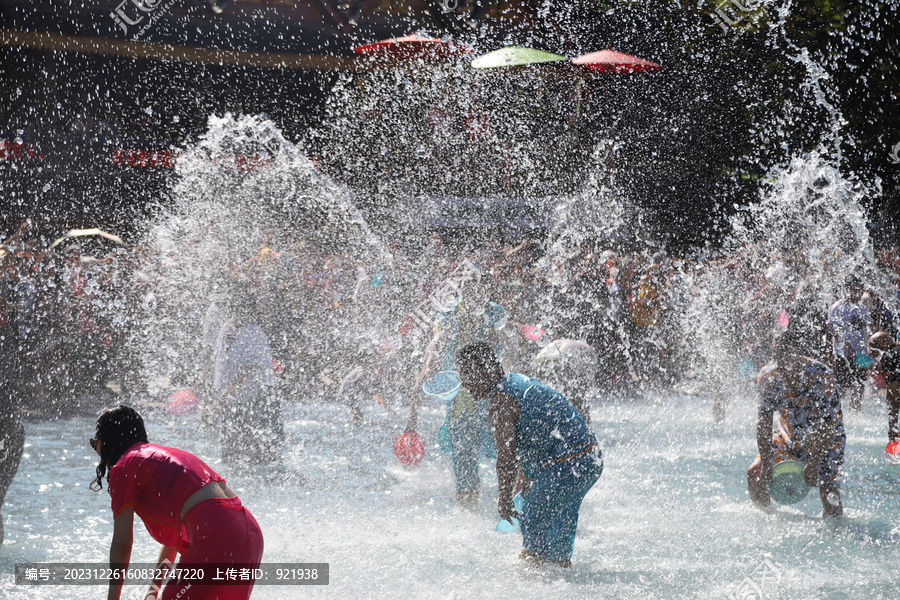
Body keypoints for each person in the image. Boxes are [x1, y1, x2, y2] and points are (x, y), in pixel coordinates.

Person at [91, 405, 263, 600]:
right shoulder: (160, 460)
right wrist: (153, 592)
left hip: (216, 539)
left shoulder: (125, 467)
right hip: (249, 536)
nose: (96, 448)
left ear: (109, 441)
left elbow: (122, 543)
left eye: (94, 442)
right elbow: (175, 540)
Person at [457, 342, 603, 567]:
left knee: (532, 521)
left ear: (487, 369)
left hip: (566, 464)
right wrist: (522, 481)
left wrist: (504, 501)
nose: (464, 382)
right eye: (461, 374)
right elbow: (538, 436)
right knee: (559, 529)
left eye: (468, 373)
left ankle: (536, 580)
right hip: (589, 460)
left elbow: (506, 458)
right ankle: (560, 574)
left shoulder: (501, 401)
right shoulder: (516, 382)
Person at [747, 327, 845, 518]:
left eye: (785, 356)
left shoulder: (822, 376)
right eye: (776, 356)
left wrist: (814, 462)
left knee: (828, 490)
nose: (779, 363)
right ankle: (768, 518)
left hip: (827, 439)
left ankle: (836, 529)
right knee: (754, 474)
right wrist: (766, 460)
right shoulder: (768, 377)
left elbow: (828, 424)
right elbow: (764, 422)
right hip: (788, 438)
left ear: (800, 353)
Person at [827, 274, 871, 410]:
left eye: (860, 290)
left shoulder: (861, 308)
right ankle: (837, 416)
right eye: (856, 290)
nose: (858, 294)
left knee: (859, 388)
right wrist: (848, 347)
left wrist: (870, 350)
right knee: (839, 388)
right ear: (848, 290)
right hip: (842, 355)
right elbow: (833, 329)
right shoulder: (837, 307)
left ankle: (855, 413)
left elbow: (866, 331)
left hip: (861, 354)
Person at [868, 331, 900, 457]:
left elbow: (893, 396)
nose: (872, 353)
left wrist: (892, 428)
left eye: (873, 349)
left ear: (884, 345)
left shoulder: (889, 358)